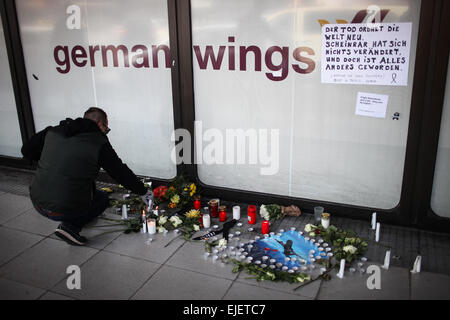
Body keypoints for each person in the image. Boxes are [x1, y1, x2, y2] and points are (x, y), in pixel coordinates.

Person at [21, 107, 152, 246]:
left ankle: (75, 215)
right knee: (101, 199)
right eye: (106, 129)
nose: (105, 133)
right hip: (60, 210)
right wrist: (142, 191)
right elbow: (120, 172)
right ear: (100, 125)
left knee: (86, 185)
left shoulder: (54, 130)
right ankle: (70, 227)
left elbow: (26, 150)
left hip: (36, 202)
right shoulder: (98, 143)